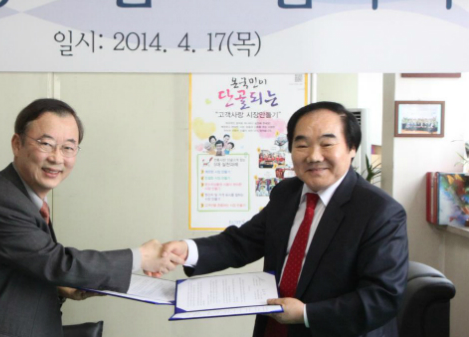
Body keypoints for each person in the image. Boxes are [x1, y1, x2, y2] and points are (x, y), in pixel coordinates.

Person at [161, 102, 408, 337]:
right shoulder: (286, 193)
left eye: (327, 144)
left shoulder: (380, 211)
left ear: (352, 148)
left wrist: (306, 314)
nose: (314, 156)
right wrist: (186, 250)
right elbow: (242, 243)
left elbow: (382, 297)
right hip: (275, 328)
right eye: (302, 145)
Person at [0, 99, 182, 337]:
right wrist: (141, 257)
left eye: (68, 147)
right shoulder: (1, 201)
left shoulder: (26, 198)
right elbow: (57, 263)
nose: (57, 158)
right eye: (46, 144)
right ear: (17, 144)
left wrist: (61, 287)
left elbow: (27, 264)